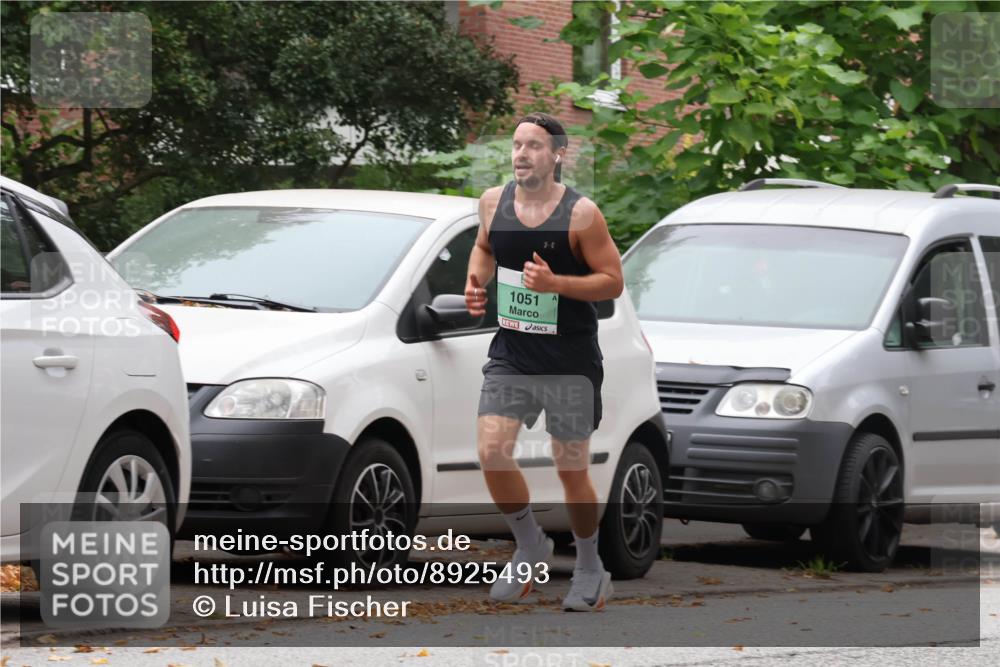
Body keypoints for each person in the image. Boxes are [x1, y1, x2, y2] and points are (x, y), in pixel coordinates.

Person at [464, 112, 624, 611]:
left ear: (557, 155)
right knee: (492, 451)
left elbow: (612, 281)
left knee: (571, 468)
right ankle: (531, 543)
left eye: (534, 145)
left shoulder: (581, 215)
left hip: (569, 359)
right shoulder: (493, 202)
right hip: (512, 353)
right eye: (516, 144)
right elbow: (484, 248)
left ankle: (591, 568)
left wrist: (558, 285)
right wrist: (475, 283)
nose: (521, 154)